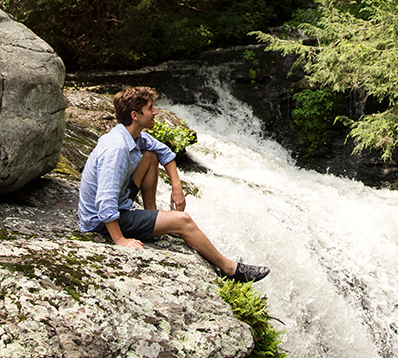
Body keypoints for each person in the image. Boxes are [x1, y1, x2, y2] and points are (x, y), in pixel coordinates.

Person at [78, 85, 269, 284]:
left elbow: (163, 152)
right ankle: (230, 269)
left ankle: (150, 215)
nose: (155, 112)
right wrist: (120, 240)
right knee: (183, 221)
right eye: (150, 108)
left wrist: (176, 187)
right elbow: (105, 201)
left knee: (150, 155)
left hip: (120, 201)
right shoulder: (116, 150)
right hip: (100, 222)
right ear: (135, 115)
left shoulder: (132, 135)